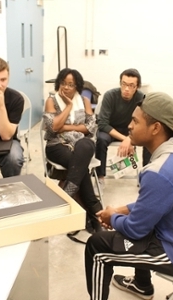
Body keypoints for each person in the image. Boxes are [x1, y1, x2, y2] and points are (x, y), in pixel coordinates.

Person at [85, 92, 173, 300]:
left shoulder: (160, 170)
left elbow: (134, 228)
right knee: (145, 222)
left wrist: (112, 217)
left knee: (96, 247)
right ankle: (142, 285)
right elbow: (155, 203)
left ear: (156, 128)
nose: (129, 126)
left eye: (135, 121)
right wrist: (121, 210)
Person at [43, 68, 103, 233]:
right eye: (63, 83)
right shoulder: (51, 101)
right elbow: (53, 127)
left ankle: (68, 195)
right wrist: (68, 106)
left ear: (77, 86)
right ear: (58, 83)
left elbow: (90, 127)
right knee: (80, 166)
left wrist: (66, 127)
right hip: (57, 146)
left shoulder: (84, 100)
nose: (67, 88)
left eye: (71, 84)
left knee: (86, 145)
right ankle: (94, 212)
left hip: (80, 145)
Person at [95, 69, 147, 194]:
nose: (127, 89)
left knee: (148, 139)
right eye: (124, 84)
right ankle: (100, 178)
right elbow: (102, 123)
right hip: (110, 129)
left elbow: (143, 122)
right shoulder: (110, 95)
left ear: (137, 87)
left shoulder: (142, 98)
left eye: (131, 85)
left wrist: (130, 138)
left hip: (131, 129)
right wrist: (125, 139)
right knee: (101, 140)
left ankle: (146, 176)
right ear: (120, 83)